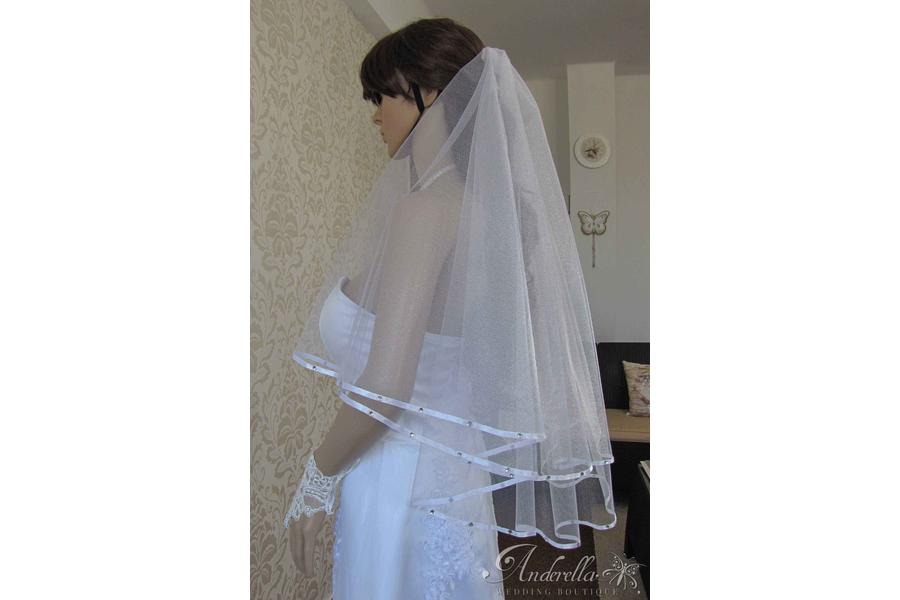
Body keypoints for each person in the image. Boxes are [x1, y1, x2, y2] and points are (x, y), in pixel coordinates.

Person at [282, 17, 617, 600]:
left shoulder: (425, 211)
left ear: (430, 92)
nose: (375, 115)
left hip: (399, 485)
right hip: (455, 481)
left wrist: (316, 478)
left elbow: (385, 389)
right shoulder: (485, 216)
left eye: (382, 96)